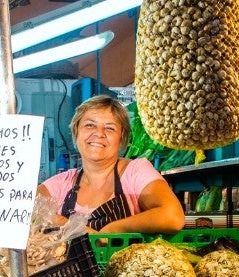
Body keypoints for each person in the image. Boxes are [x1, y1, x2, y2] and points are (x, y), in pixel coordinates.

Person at [38, 94, 185, 235]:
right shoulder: (62, 183)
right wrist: (70, 226)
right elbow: (20, 208)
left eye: (110, 128)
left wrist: (112, 230)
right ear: (76, 132)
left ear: (121, 138)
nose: (99, 133)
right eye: (89, 125)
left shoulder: (136, 172)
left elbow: (173, 217)